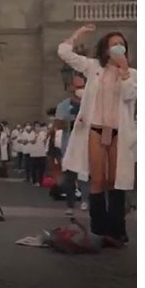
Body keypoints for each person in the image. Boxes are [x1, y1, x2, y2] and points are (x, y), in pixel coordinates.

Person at [58, 25, 136, 242]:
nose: (118, 48)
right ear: (105, 50)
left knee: (115, 179)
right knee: (98, 179)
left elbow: (130, 96)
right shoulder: (93, 68)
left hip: (118, 132)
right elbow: (64, 53)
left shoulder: (133, 75)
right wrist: (78, 34)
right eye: (114, 44)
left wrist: (124, 71)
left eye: (122, 44)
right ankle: (99, 228)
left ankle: (117, 228)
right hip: (95, 129)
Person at [57, 76, 88, 212]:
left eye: (82, 87)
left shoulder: (90, 104)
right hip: (69, 144)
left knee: (85, 175)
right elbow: (58, 124)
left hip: (86, 144)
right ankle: (70, 205)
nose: (79, 90)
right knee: (69, 177)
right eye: (77, 87)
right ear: (70, 88)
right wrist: (71, 119)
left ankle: (86, 200)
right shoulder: (63, 106)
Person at [30, 122, 49, 187]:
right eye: (36, 126)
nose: (37, 128)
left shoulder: (43, 133)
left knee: (41, 169)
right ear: (34, 127)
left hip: (42, 154)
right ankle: (34, 181)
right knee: (34, 169)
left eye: (38, 126)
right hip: (34, 154)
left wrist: (46, 137)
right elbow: (32, 142)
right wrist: (36, 136)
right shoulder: (32, 133)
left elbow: (45, 141)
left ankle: (40, 181)